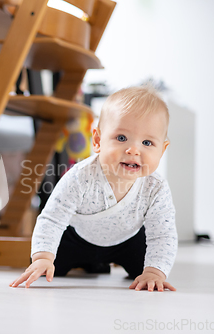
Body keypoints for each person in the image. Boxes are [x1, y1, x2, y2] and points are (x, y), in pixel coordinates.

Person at [10, 86, 178, 292]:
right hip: (77, 238)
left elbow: (163, 234)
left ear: (162, 149)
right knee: (49, 266)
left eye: (147, 142)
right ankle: (89, 262)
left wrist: (155, 272)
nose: (133, 150)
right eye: (122, 138)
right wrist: (43, 257)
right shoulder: (80, 176)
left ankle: (102, 263)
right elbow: (52, 218)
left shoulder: (156, 187)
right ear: (98, 140)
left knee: (145, 273)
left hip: (129, 241)